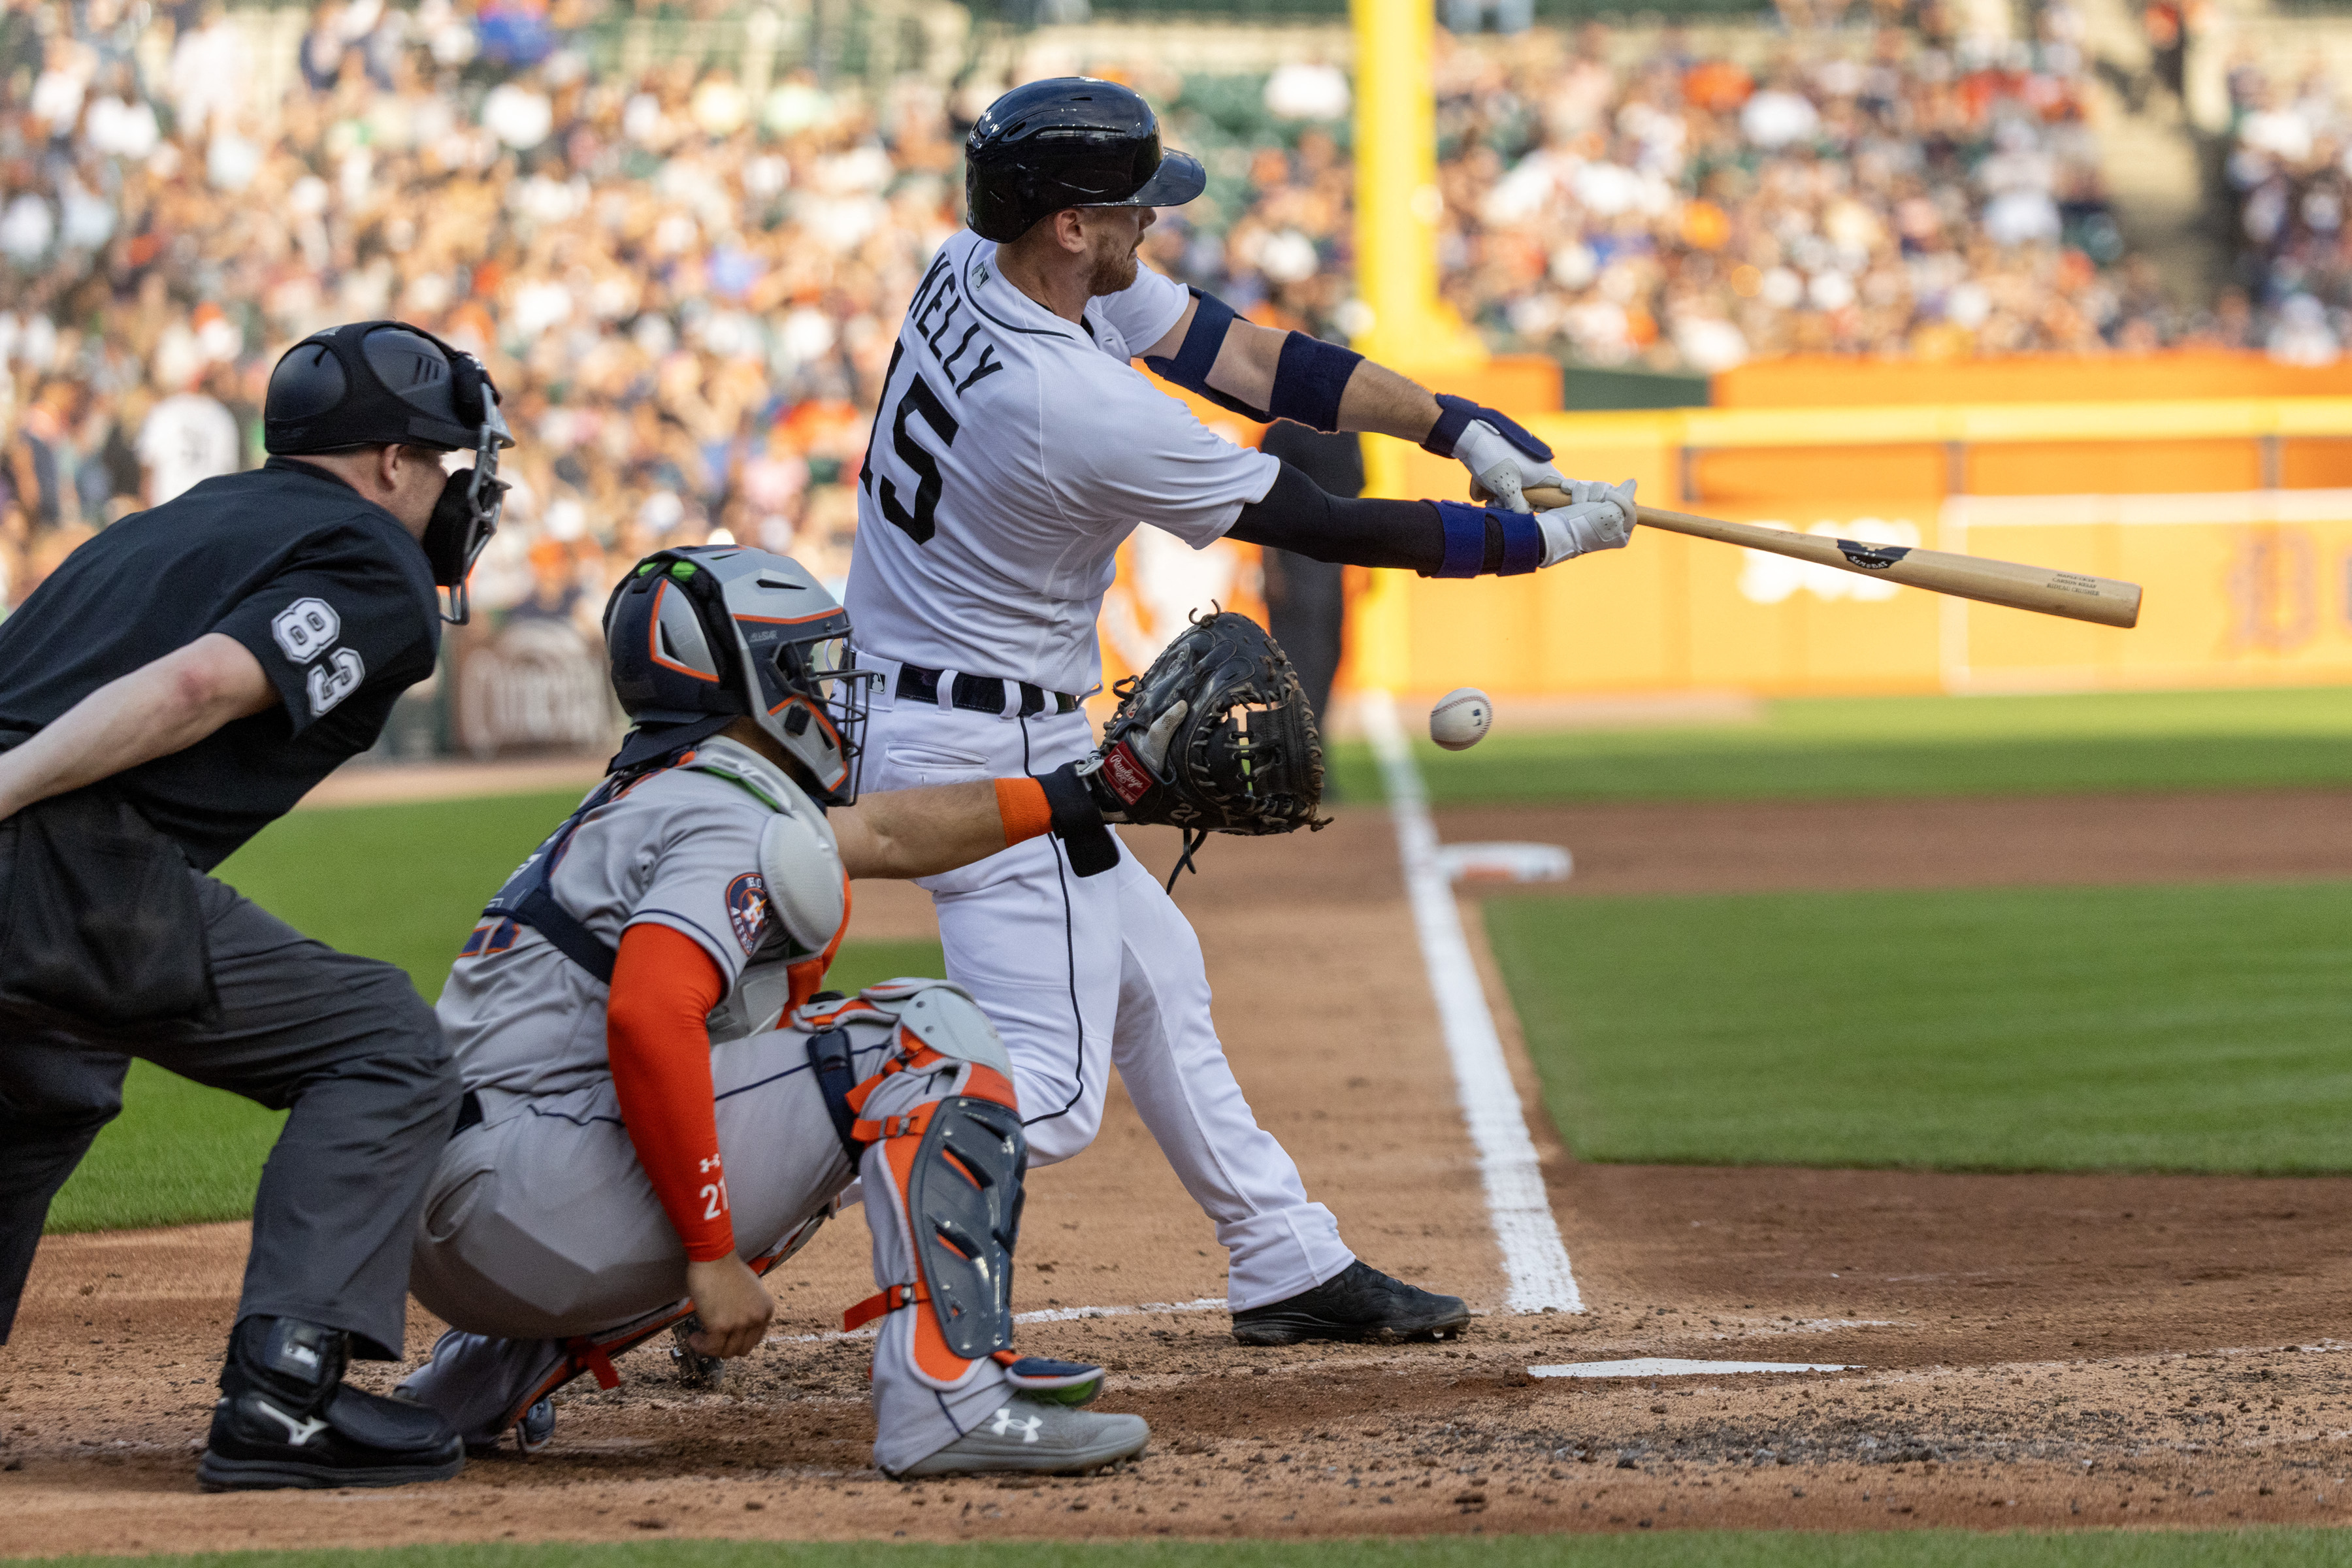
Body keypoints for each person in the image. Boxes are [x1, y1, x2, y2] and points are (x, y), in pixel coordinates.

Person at [845, 78, 1636, 1347]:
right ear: (1066, 227)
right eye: (1132, 209)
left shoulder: (972, 265)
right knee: (1043, 1098)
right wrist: (1530, 544)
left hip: (962, 704)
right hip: (980, 736)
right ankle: (733, 1179)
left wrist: (1461, 426)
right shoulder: (1072, 402)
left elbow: (1251, 359)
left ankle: (1282, 1256)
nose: (1152, 225)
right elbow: (1314, 521)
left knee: (1159, 981)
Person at [395, 543, 1156, 1477]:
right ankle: (947, 1395)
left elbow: (884, 833)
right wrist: (712, 1254)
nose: (833, 689)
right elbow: (648, 1014)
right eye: (810, 664)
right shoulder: (727, 809)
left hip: (466, 1223)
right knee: (919, 1036)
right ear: (752, 679)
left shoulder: (658, 793)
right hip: (534, 1198)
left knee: (779, 1072)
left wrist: (1091, 792)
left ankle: (475, 1381)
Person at [0, 318, 517, 1493]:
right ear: (391, 460)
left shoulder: (173, 521)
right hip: (63, 866)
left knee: (42, 1082)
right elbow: (194, 686)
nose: (448, 489)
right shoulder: (372, 557)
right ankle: (285, 1396)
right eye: (439, 463)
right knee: (383, 1043)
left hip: (48, 874)